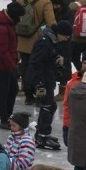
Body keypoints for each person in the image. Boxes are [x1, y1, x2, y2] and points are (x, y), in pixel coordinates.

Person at [28, 19, 74, 150]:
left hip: (48, 78)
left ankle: (42, 135)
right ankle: (42, 137)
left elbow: (47, 59)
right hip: (42, 80)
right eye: (65, 36)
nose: (65, 39)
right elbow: (36, 64)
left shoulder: (52, 40)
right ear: (59, 33)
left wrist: (56, 60)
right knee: (48, 106)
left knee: (49, 106)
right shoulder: (45, 42)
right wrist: (40, 84)